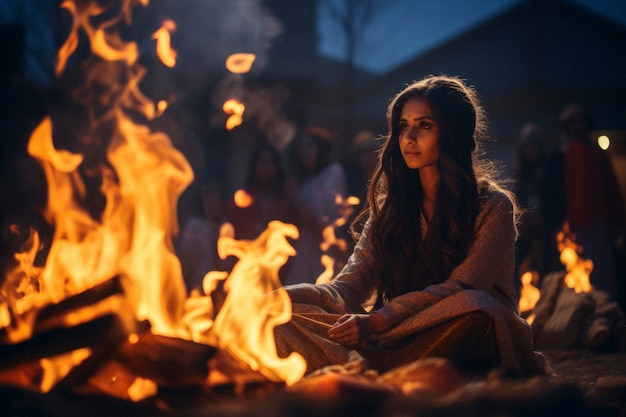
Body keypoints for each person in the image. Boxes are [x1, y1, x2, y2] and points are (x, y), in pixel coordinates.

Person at [274, 75, 548, 377]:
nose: (408, 137)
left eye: (424, 125)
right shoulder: (391, 209)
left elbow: (462, 287)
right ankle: (375, 367)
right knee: (285, 316)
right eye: (403, 126)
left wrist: (380, 319)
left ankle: (363, 366)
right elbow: (346, 286)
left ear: (453, 132)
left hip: (459, 330)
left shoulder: (492, 206)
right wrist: (281, 296)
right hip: (395, 334)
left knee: (475, 306)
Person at [559, 105, 625, 299]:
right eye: (573, 123)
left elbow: (611, 192)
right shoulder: (561, 156)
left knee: (602, 275)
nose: (578, 127)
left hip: (599, 224)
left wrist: (618, 223)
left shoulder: (598, 156)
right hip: (573, 228)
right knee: (576, 278)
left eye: (582, 122)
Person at [281, 126, 348, 285]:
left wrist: (298, 200)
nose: (305, 152)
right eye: (301, 148)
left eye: (310, 146)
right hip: (304, 247)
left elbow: (329, 214)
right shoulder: (301, 182)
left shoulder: (333, 172)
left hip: (326, 245)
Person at [227, 141, 295, 240]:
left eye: (269, 162)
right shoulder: (243, 198)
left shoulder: (286, 196)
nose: (265, 168)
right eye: (261, 162)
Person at [512, 123, 546, 290]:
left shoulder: (546, 171)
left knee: (545, 269)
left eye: (535, 147)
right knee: (518, 267)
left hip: (544, 230)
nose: (532, 152)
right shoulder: (519, 174)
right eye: (528, 148)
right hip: (524, 232)